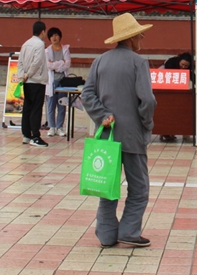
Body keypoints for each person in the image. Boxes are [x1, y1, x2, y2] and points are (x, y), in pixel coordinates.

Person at [80, 13, 157, 248]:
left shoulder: (100, 61)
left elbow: (87, 94)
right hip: (133, 135)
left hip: (108, 134)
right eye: (140, 34)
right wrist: (146, 123)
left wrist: (103, 115)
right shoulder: (138, 62)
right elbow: (147, 100)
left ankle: (106, 234)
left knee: (108, 185)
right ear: (131, 38)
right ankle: (129, 231)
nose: (142, 38)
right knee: (139, 187)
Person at [18, 21, 49, 147]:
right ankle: (35, 136)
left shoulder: (25, 44)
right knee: (36, 108)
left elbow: (20, 62)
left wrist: (22, 76)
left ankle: (26, 134)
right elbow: (37, 62)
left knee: (28, 107)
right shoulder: (40, 44)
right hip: (37, 80)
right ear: (43, 31)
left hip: (27, 81)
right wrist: (29, 74)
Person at [45, 27, 72, 138]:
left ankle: (59, 127)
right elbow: (48, 65)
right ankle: (52, 127)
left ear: (60, 37)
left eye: (56, 35)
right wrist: (61, 63)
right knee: (51, 104)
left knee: (62, 104)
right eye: (52, 36)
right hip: (51, 81)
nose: (54, 38)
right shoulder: (47, 51)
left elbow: (67, 64)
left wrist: (56, 65)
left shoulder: (65, 49)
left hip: (63, 81)